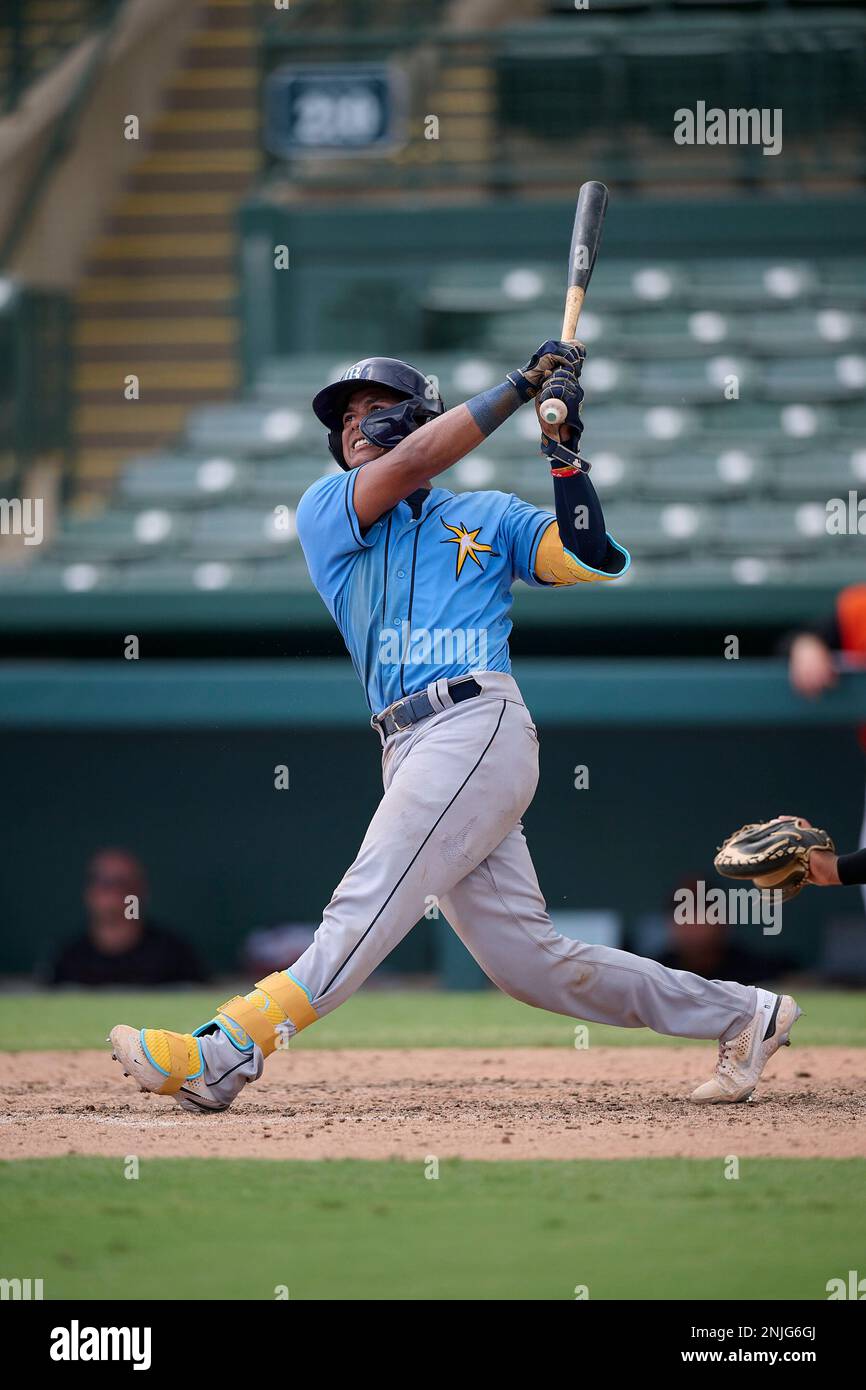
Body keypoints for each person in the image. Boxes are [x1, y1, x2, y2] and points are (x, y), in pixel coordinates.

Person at [109, 343, 799, 1111]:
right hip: (404, 743)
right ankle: (745, 1012)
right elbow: (406, 466)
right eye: (346, 418)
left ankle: (224, 1052)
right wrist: (516, 389)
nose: (356, 426)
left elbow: (591, 557)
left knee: (364, 904)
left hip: (475, 723)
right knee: (527, 964)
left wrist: (565, 456)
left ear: (418, 416)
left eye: (376, 409)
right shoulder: (327, 515)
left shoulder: (485, 515)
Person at [49, 849, 205, 987]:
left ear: (141, 891)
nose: (112, 892)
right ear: (89, 892)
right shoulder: (70, 957)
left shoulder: (173, 954)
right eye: (102, 882)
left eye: (122, 882)